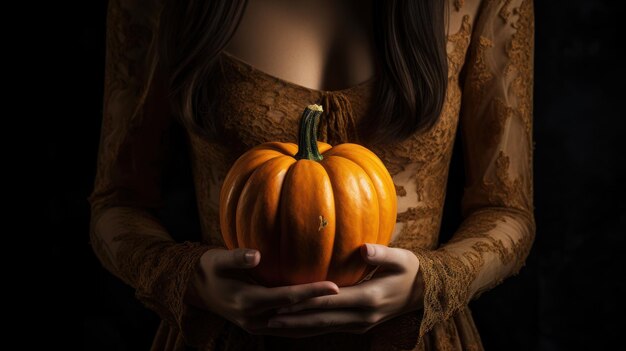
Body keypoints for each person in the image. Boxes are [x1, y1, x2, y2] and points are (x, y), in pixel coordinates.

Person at [88, 0, 535, 349]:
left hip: (414, 341)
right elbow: (117, 203)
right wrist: (190, 279)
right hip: (226, 338)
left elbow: (507, 209)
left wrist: (431, 281)